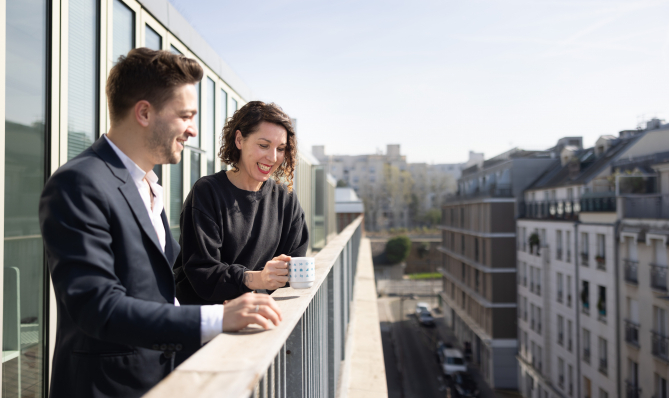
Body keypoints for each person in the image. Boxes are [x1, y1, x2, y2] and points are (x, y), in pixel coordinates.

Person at [39, 48, 281, 398]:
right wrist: (217, 320)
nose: (193, 131)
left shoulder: (148, 185)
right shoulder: (78, 183)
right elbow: (97, 308)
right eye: (185, 115)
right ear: (144, 112)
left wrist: (222, 312)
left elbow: (158, 294)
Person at [174, 101, 309, 305]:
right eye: (263, 145)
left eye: (280, 148)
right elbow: (203, 273)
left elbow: (293, 268)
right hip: (204, 324)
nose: (273, 157)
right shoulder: (207, 192)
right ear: (239, 140)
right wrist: (259, 279)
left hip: (256, 319)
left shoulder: (286, 199)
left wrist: (266, 284)